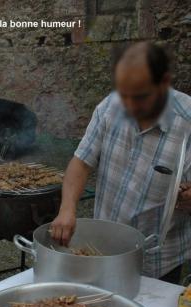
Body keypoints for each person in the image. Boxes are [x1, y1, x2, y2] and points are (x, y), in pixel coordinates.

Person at [50, 42, 191, 283]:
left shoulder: (188, 122)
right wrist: (67, 208)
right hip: (104, 250)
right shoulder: (110, 106)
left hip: (157, 263)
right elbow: (81, 162)